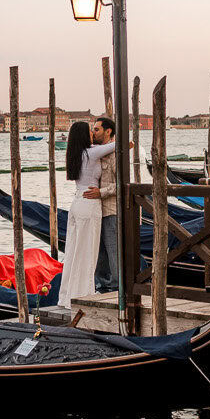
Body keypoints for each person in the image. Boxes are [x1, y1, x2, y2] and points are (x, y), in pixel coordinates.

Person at [56, 121, 111, 307]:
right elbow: (123, 144)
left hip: (77, 203)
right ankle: (83, 294)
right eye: (90, 131)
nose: (92, 134)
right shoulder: (91, 153)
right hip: (89, 205)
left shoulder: (76, 153)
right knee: (88, 253)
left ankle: (66, 296)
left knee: (73, 251)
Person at [91, 116, 120, 291]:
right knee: (98, 254)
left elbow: (121, 183)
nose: (94, 133)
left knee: (113, 252)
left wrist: (100, 193)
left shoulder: (116, 154)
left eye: (97, 129)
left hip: (110, 210)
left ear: (108, 131)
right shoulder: (95, 152)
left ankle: (117, 290)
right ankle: (101, 288)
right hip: (94, 211)